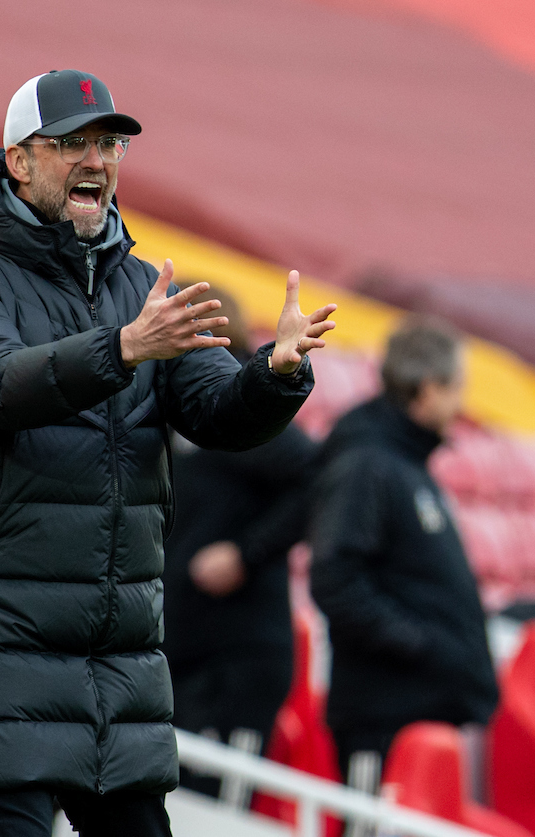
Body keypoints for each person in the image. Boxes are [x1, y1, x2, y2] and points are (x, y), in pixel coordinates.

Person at [0, 69, 336, 837]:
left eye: (110, 143)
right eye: (73, 143)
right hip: (2, 643)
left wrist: (275, 375)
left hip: (117, 656)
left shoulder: (141, 282)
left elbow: (215, 411)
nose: (98, 160)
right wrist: (123, 345)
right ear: (19, 161)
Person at [309, 316, 497, 777]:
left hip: (416, 715)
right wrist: (421, 646)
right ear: (428, 389)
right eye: (457, 388)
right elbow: (335, 580)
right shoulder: (367, 465)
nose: (461, 404)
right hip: (384, 718)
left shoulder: (402, 462)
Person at [162, 284, 315, 796]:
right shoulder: (172, 407)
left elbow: (316, 480)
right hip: (184, 651)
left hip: (237, 656)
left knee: (214, 809)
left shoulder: (244, 408)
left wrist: (246, 554)